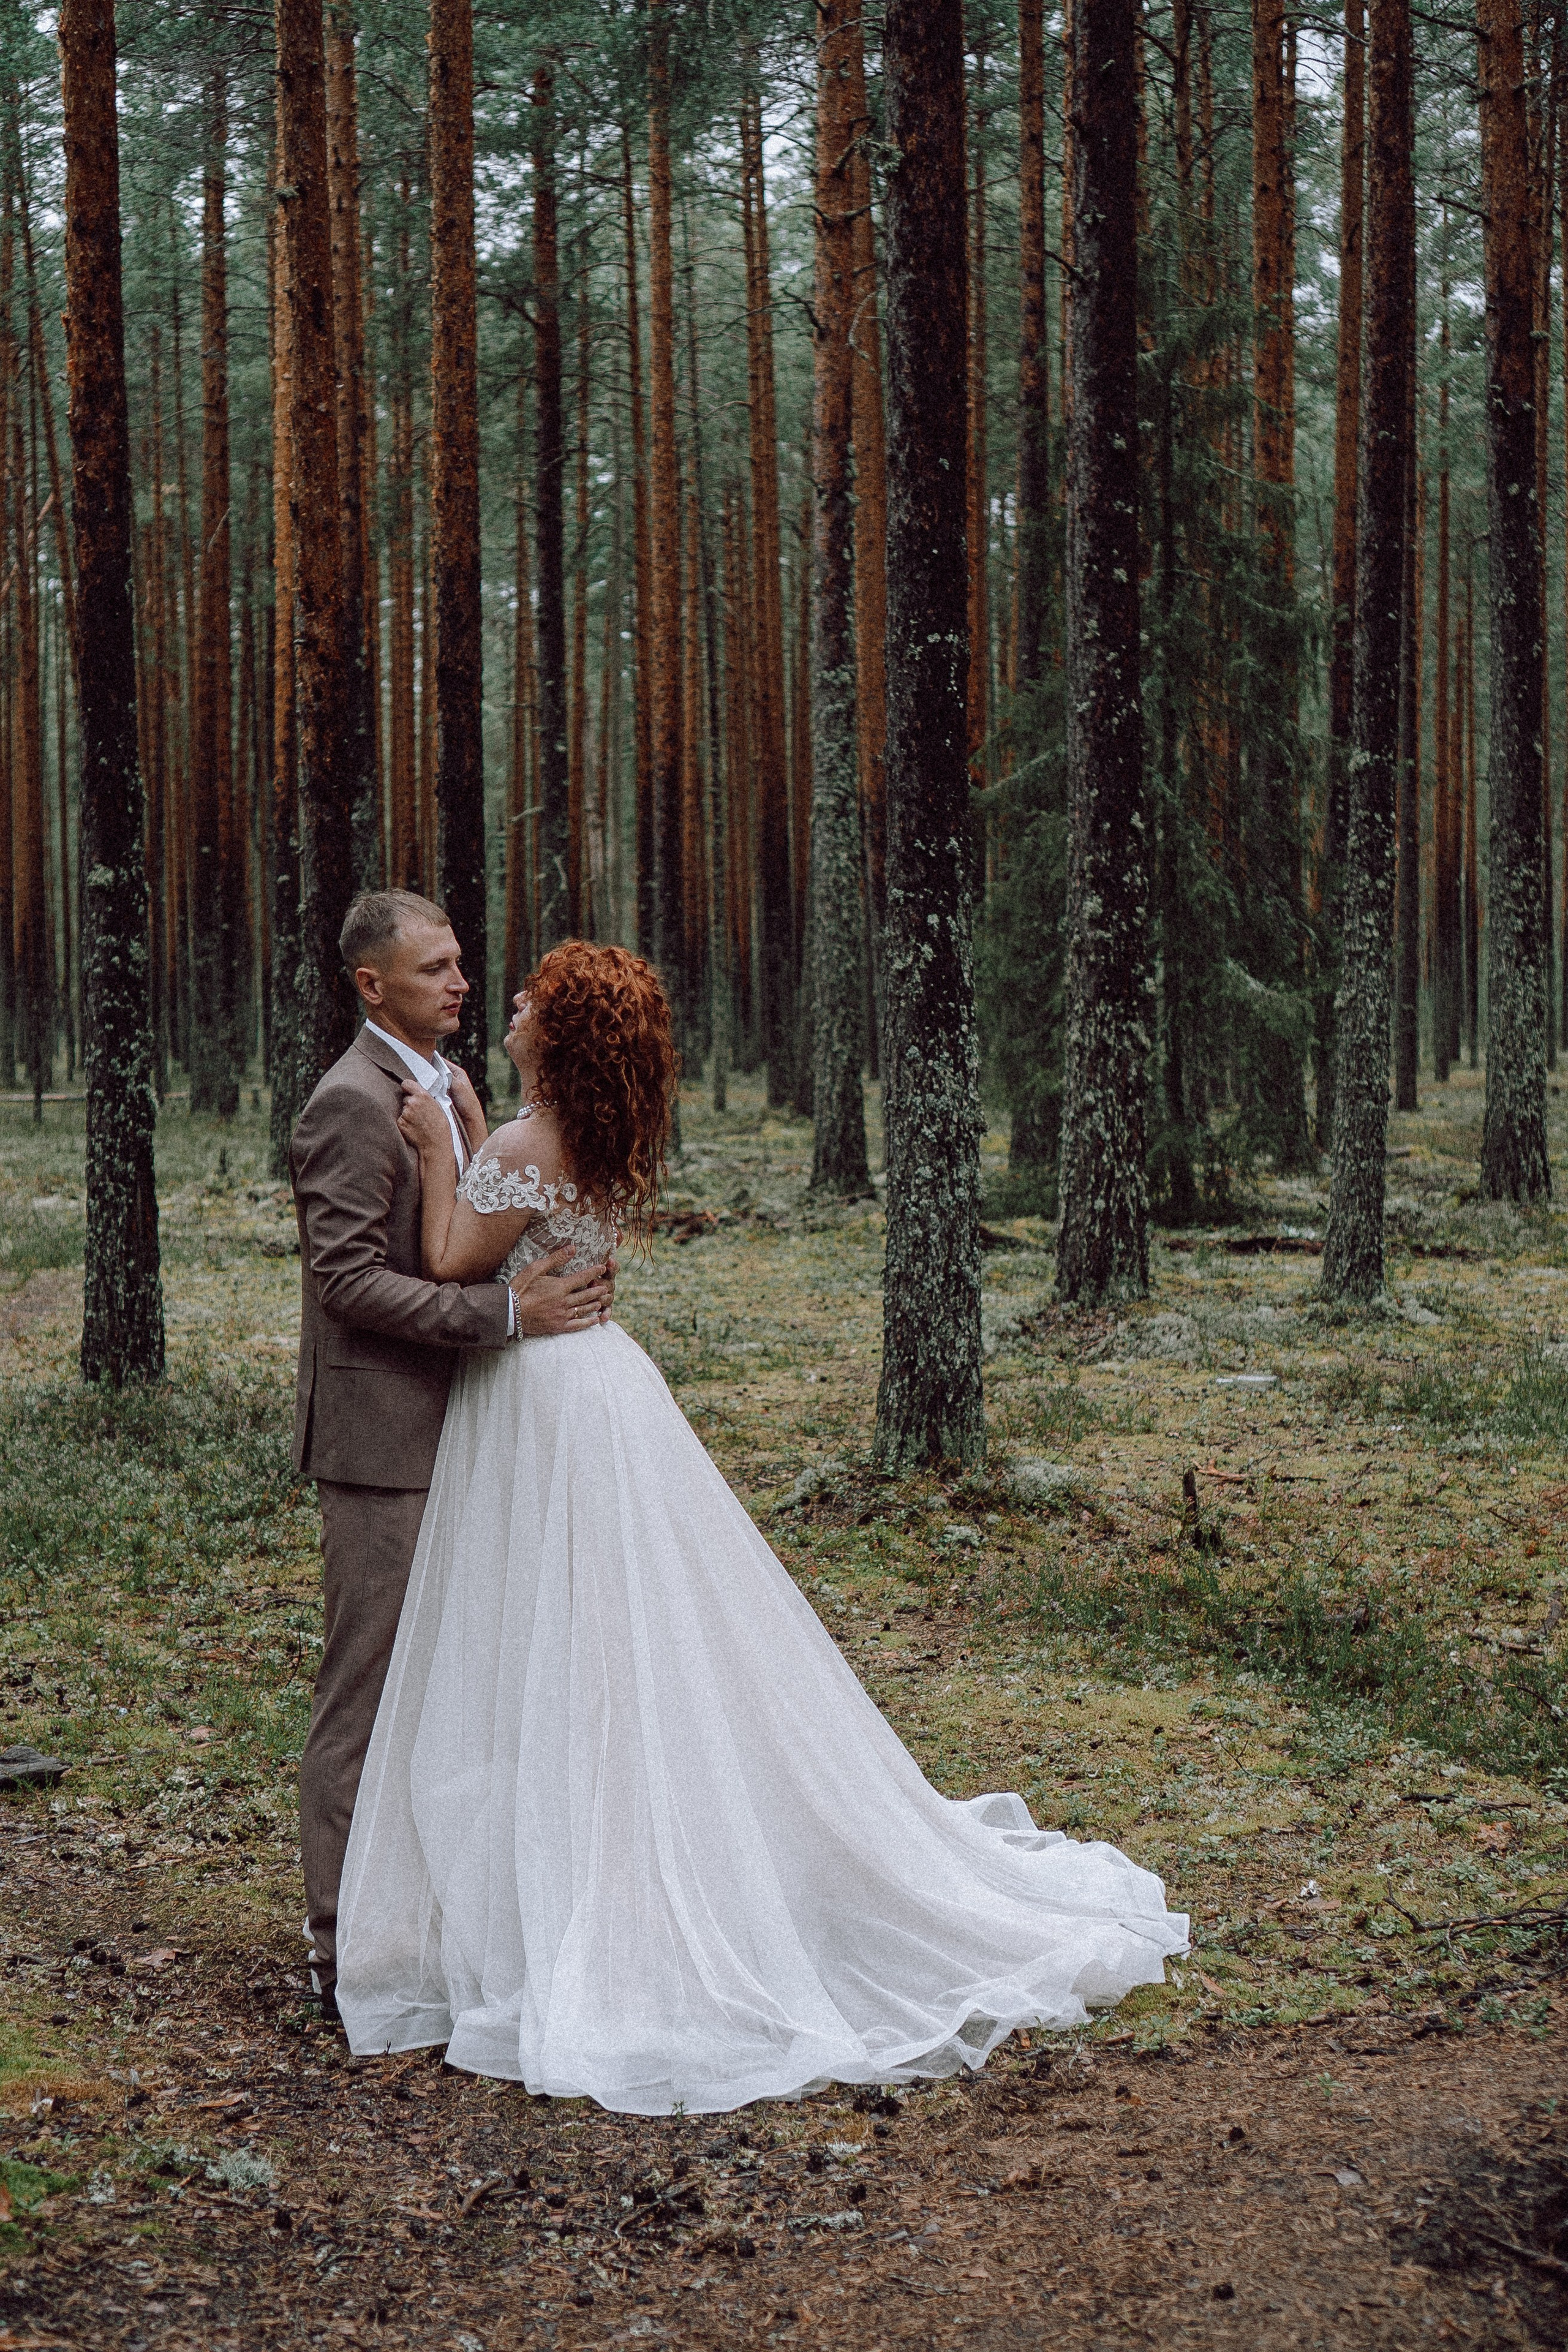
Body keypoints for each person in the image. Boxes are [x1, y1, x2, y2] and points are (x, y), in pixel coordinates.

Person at [336, 939, 1186, 2116]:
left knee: (553, 1632)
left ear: (563, 1037)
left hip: (540, 1396)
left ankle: (578, 1886)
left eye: (533, 1000)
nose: (512, 1006)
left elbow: (445, 1258)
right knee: (615, 1632)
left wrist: (440, 1150)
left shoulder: (523, 1149)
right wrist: (475, 1119)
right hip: (602, 1388)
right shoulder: (576, 1133)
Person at [289, 891, 615, 2023]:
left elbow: (475, 1226)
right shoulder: (349, 1103)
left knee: (470, 1692)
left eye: (464, 964)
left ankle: (443, 1928)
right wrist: (507, 1320)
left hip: (485, 1437)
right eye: (434, 970)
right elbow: (347, 1283)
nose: (462, 983)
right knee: (369, 1697)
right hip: (387, 1445)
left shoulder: (454, 1092)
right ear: (372, 986)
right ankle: (341, 1953)